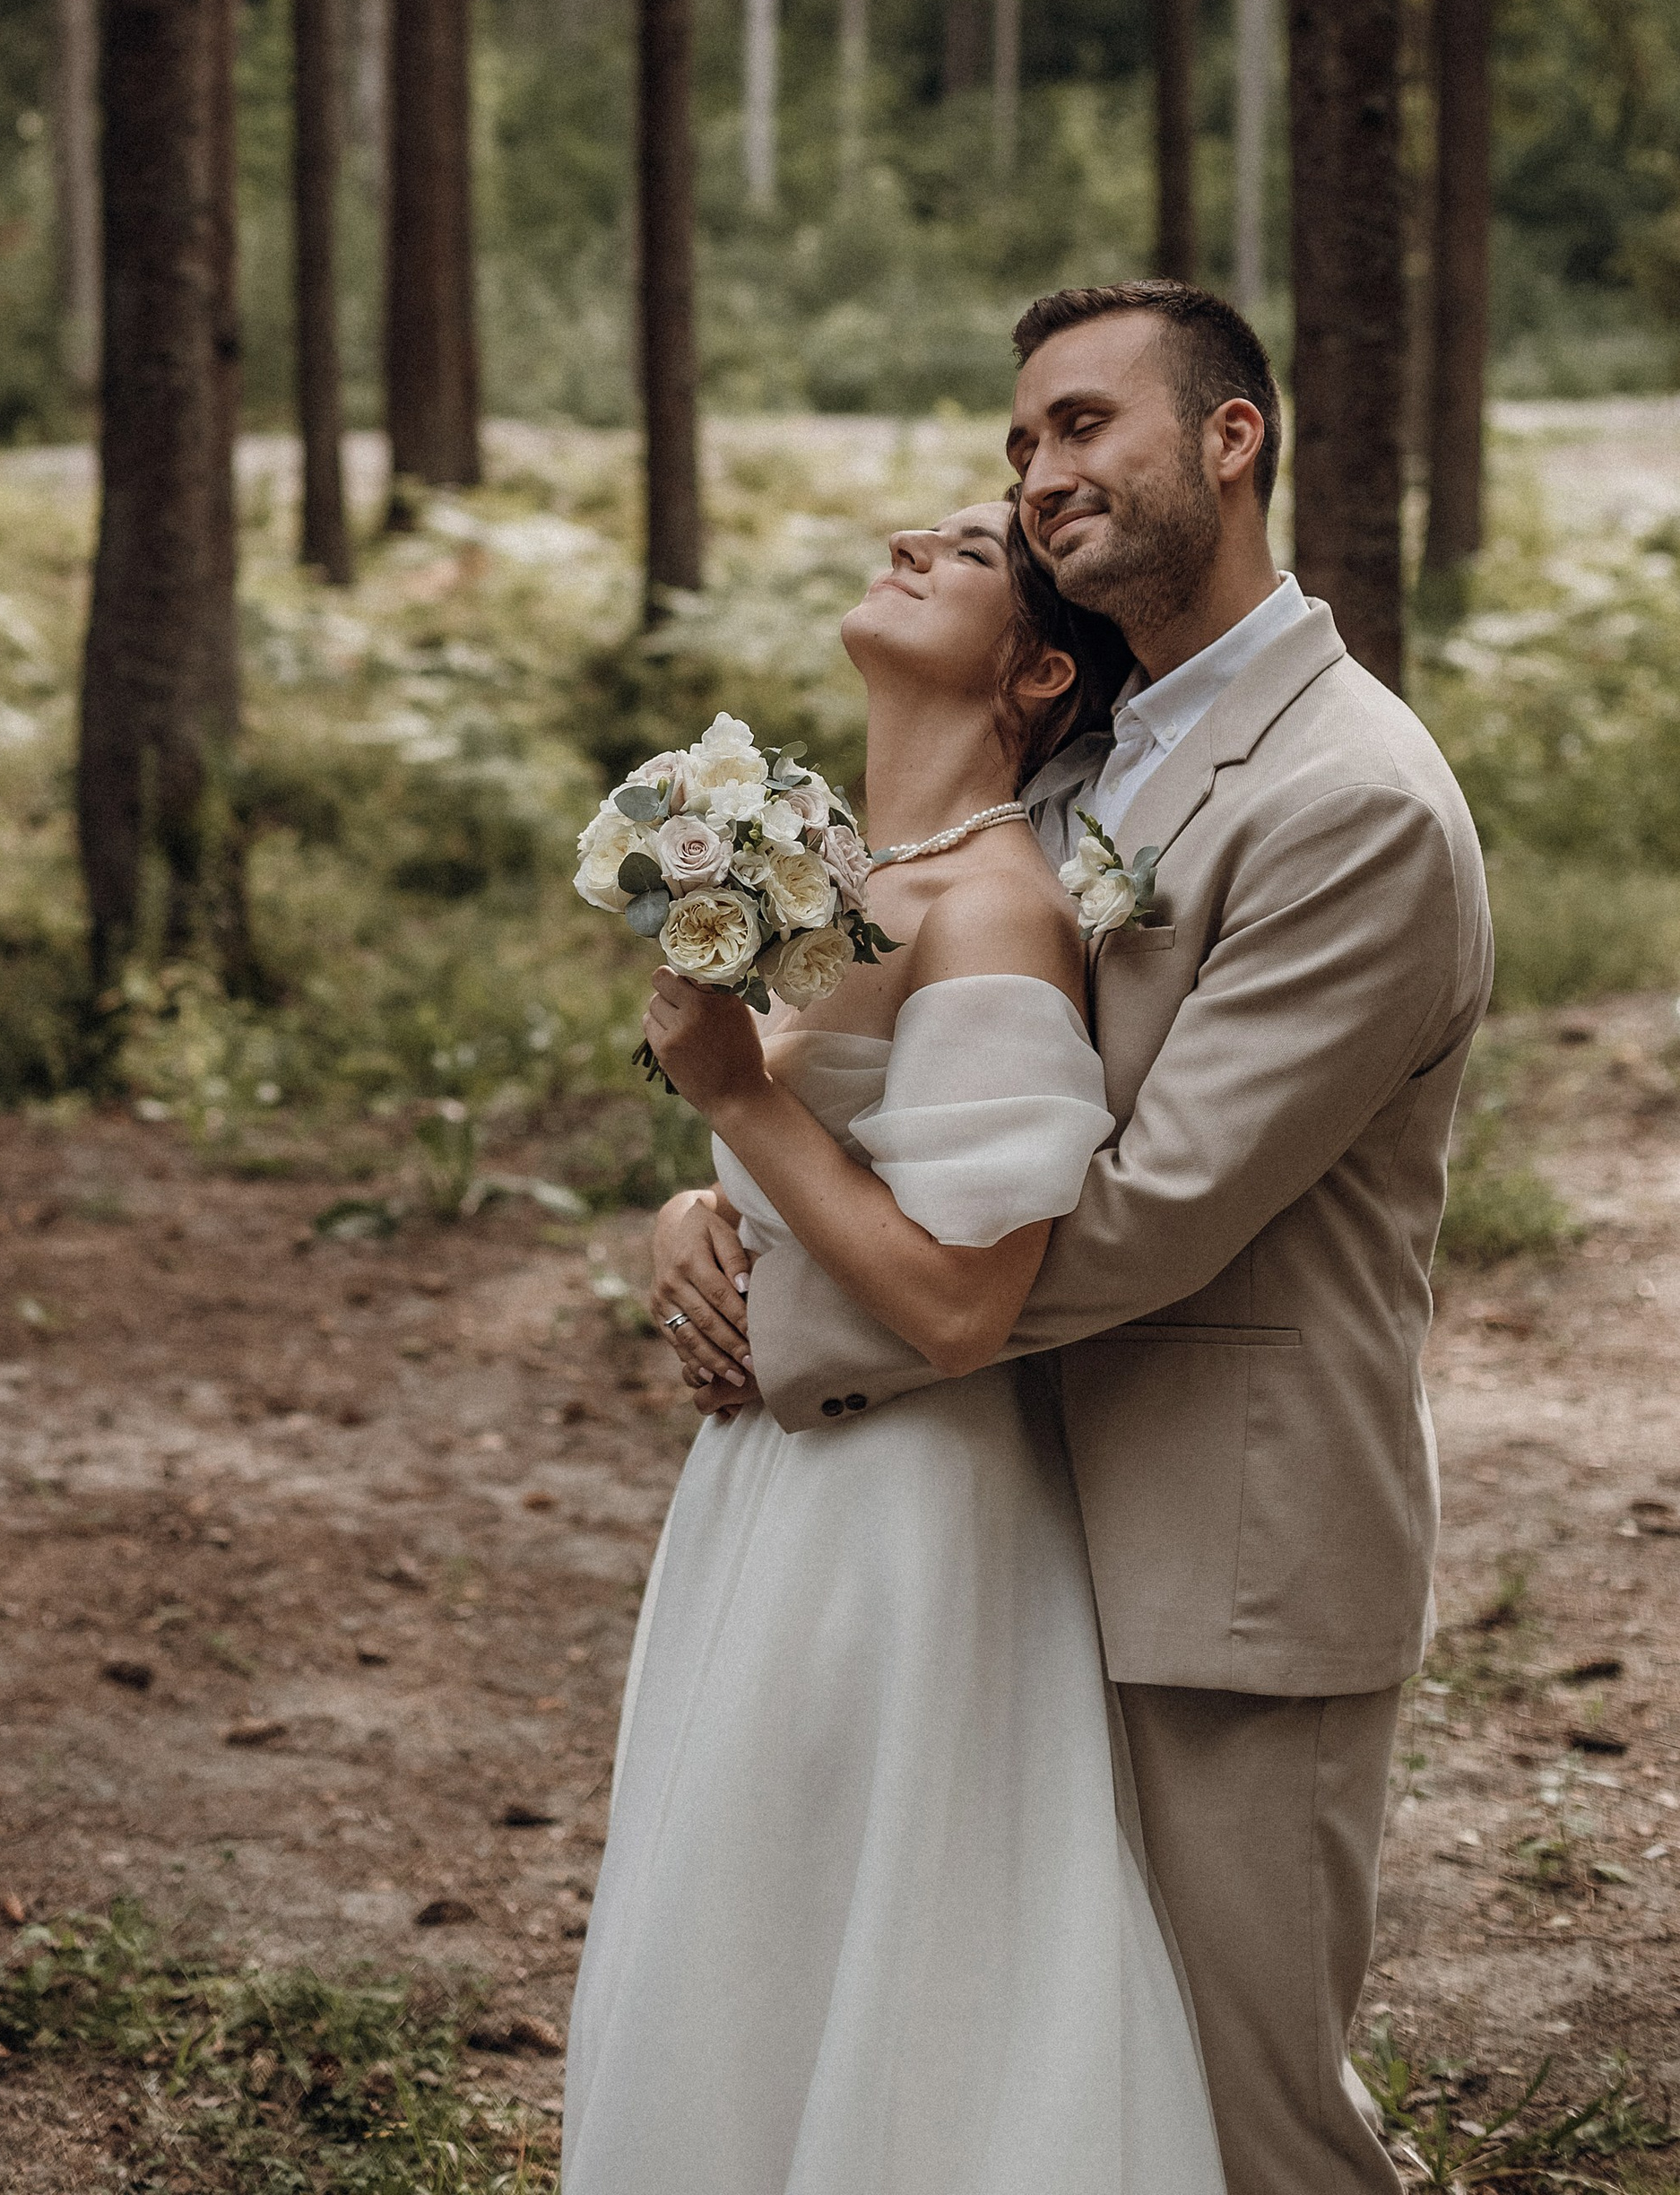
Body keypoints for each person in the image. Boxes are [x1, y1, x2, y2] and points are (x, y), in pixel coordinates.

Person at [655, 281, 1493, 2195]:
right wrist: (701, 1207)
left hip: (1219, 1554)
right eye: (1020, 439)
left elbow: (1137, 1220)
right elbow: (944, 1100)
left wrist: (788, 1316)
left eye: (1086, 423)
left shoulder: (1347, 798)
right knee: (1037, 2104)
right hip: (1008, 1530)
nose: (1039, 474)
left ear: (1230, 436)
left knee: (1246, 2122)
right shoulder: (1061, 772)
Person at [562, 498, 1228, 2195]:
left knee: (885, 1950)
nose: (906, 538)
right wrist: (685, 1210)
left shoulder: (996, 909)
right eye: (912, 526)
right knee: (758, 1928)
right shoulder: (850, 878)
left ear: (1034, 667)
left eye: (967, 549)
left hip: (905, 1513)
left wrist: (724, 1093)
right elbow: (819, 1169)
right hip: (771, 1486)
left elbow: (960, 1301)